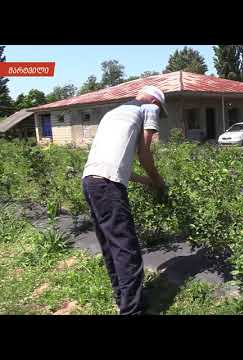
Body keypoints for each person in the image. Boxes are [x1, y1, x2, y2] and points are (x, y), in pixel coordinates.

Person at [82, 85, 168, 315]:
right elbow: (145, 153)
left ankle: (124, 298)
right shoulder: (149, 107)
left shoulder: (114, 113)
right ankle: (132, 310)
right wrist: (158, 181)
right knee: (126, 248)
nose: (158, 114)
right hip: (108, 184)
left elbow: (122, 166)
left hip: (90, 181)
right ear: (155, 102)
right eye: (160, 109)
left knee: (111, 246)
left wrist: (148, 183)